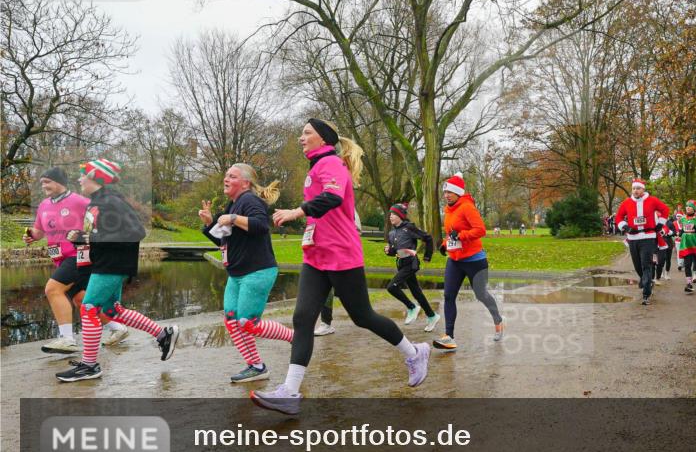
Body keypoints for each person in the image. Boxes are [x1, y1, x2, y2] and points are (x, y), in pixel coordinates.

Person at [253, 119, 430, 415]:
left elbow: (333, 198)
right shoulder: (316, 167)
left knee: (363, 316)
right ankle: (290, 392)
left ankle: (414, 353)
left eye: (306, 133)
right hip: (316, 255)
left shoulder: (332, 164)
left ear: (323, 138)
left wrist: (297, 211)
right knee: (302, 318)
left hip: (341, 253)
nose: (301, 138)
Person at [56, 159, 179, 382]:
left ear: (95, 177)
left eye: (82, 175)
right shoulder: (97, 202)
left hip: (112, 264)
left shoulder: (112, 201)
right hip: (104, 262)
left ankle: (90, 365)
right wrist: (82, 237)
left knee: (89, 308)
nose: (79, 179)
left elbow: (136, 231)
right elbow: (101, 234)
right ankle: (163, 335)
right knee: (112, 311)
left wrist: (92, 238)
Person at [199, 164, 293, 383]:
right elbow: (225, 242)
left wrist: (232, 218)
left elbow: (261, 225)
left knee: (248, 322)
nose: (226, 179)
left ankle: (296, 338)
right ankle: (256, 367)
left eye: (232, 176)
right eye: (226, 175)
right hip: (237, 274)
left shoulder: (250, 200)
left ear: (245, 183)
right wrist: (210, 223)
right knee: (231, 320)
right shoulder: (233, 204)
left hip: (257, 271)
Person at [23, 168, 130, 354]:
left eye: (47, 182)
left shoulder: (80, 201)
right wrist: (31, 235)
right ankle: (117, 328)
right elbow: (39, 231)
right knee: (82, 300)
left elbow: (103, 219)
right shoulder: (43, 205)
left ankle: (67, 339)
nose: (43, 186)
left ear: (59, 182)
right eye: (42, 183)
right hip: (60, 258)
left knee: (52, 289)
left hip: (80, 255)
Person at [435, 173, 504, 351]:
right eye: (445, 192)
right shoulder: (448, 210)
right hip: (455, 260)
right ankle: (449, 337)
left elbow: (480, 230)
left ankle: (498, 320)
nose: (446, 195)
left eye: (450, 192)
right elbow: (451, 233)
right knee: (449, 296)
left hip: (474, 260)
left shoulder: (467, 207)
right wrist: (445, 244)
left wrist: (462, 236)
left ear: (458, 192)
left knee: (481, 295)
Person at [384, 203, 441, 330]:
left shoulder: (409, 227)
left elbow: (428, 238)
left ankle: (412, 307)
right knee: (416, 292)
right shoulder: (392, 233)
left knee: (391, 287)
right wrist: (388, 251)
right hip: (400, 264)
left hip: (411, 263)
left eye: (393, 214)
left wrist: (427, 256)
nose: (390, 216)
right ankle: (432, 316)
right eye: (390, 214)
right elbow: (394, 251)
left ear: (400, 215)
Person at [614, 179, 671, 305]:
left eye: (638, 188)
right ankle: (646, 281)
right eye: (634, 188)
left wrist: (660, 224)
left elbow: (665, 210)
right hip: (633, 238)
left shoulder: (652, 200)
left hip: (648, 237)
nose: (636, 191)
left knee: (646, 264)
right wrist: (625, 227)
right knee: (637, 266)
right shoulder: (627, 202)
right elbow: (618, 217)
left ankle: (646, 293)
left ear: (643, 189)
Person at [654, 209, 678, 281]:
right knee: (660, 259)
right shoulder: (657, 222)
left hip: (668, 243)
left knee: (668, 259)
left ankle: (667, 274)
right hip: (659, 243)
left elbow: (674, 232)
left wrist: (669, 233)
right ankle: (660, 273)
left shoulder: (670, 223)